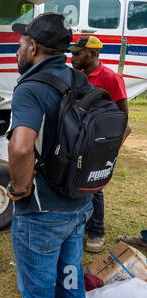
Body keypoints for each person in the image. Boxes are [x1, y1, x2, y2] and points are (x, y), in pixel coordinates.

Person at [8, 13, 94, 298]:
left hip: (42, 212)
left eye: (21, 44)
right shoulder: (80, 79)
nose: (17, 50)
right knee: (71, 284)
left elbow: (21, 148)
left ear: (33, 47)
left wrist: (20, 189)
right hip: (80, 204)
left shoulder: (30, 88)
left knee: (38, 292)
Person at [69, 35, 132, 253]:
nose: (72, 57)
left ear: (93, 54)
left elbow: (123, 118)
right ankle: (79, 226)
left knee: (94, 187)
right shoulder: (75, 76)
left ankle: (96, 231)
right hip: (77, 141)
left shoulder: (110, 78)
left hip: (99, 144)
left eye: (77, 53)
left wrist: (111, 150)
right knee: (75, 182)